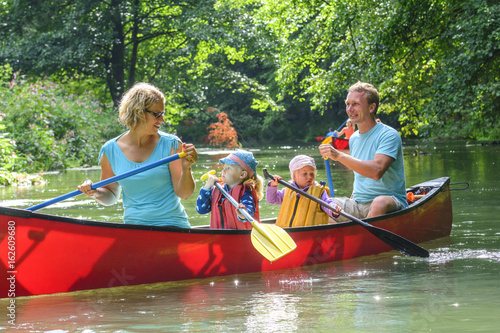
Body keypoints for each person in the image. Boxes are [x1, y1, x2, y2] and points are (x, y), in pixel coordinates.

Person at [78, 82, 198, 228]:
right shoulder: (110, 150)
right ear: (138, 112)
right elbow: (111, 195)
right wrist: (95, 192)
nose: (162, 120)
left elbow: (184, 194)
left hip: (172, 226)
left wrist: (187, 168)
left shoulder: (172, 145)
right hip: (133, 230)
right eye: (157, 114)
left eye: (162, 114)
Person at [319, 81, 407, 222]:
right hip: (359, 204)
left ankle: (363, 240)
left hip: (390, 202)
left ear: (372, 107)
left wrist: (339, 155)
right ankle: (333, 242)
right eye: (348, 104)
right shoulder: (353, 139)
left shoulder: (389, 135)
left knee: (379, 203)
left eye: (355, 104)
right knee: (323, 204)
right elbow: (360, 176)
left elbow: (376, 172)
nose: (350, 109)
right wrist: (352, 198)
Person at [266, 155, 340, 228]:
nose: (309, 177)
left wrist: (333, 209)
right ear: (294, 177)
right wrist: (273, 186)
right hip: (288, 234)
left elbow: (327, 202)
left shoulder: (319, 192)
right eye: (304, 174)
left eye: (312, 174)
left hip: (310, 234)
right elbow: (272, 200)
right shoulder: (288, 190)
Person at [196, 150, 264, 229]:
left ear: (242, 174)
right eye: (224, 167)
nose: (223, 171)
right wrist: (207, 188)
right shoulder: (217, 189)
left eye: (228, 168)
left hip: (240, 239)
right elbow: (201, 210)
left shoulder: (245, 193)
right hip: (219, 238)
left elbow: (250, 212)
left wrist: (243, 214)